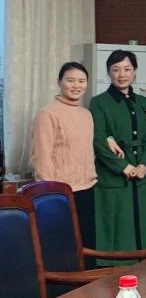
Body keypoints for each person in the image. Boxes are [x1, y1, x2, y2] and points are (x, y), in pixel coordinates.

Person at [89, 50, 146, 263]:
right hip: (114, 175)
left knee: (142, 227)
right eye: (116, 69)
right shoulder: (99, 102)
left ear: (134, 72)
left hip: (141, 173)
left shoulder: (144, 102)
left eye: (127, 69)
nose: (122, 74)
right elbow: (98, 139)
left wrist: (145, 164)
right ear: (108, 73)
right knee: (118, 228)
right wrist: (123, 166)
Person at [31, 62, 98, 249]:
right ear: (59, 82)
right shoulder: (47, 114)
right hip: (59, 194)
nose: (76, 85)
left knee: (86, 246)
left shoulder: (86, 114)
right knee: (62, 249)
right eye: (70, 80)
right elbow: (41, 160)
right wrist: (51, 195)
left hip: (87, 188)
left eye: (81, 81)